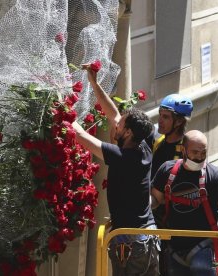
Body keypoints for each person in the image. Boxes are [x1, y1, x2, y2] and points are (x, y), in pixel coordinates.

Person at [71, 64, 160, 275]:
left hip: (130, 241)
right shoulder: (143, 145)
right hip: (148, 235)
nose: (116, 125)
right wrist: (94, 82)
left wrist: (62, 108)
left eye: (120, 126)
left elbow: (81, 137)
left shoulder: (123, 157)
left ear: (127, 132)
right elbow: (113, 114)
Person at [151, 130, 218, 276]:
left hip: (204, 244)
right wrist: (137, 212)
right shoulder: (167, 171)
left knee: (200, 267)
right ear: (183, 150)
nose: (199, 157)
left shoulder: (214, 176)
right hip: (175, 246)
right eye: (195, 152)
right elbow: (156, 199)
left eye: (203, 152)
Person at [150, 93, 193, 275]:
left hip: (176, 221)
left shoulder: (187, 149)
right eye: (160, 115)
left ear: (178, 122)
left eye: (165, 117)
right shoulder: (159, 142)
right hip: (156, 215)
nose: (160, 120)